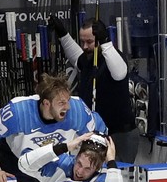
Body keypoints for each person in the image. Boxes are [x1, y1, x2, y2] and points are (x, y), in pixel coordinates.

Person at [55, 17, 141, 165]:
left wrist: (106, 41)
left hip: (120, 135)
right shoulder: (89, 58)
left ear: (100, 40)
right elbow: (76, 57)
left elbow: (120, 73)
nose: (85, 46)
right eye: (82, 41)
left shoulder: (115, 58)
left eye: (89, 42)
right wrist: (63, 34)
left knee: (117, 177)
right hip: (97, 133)